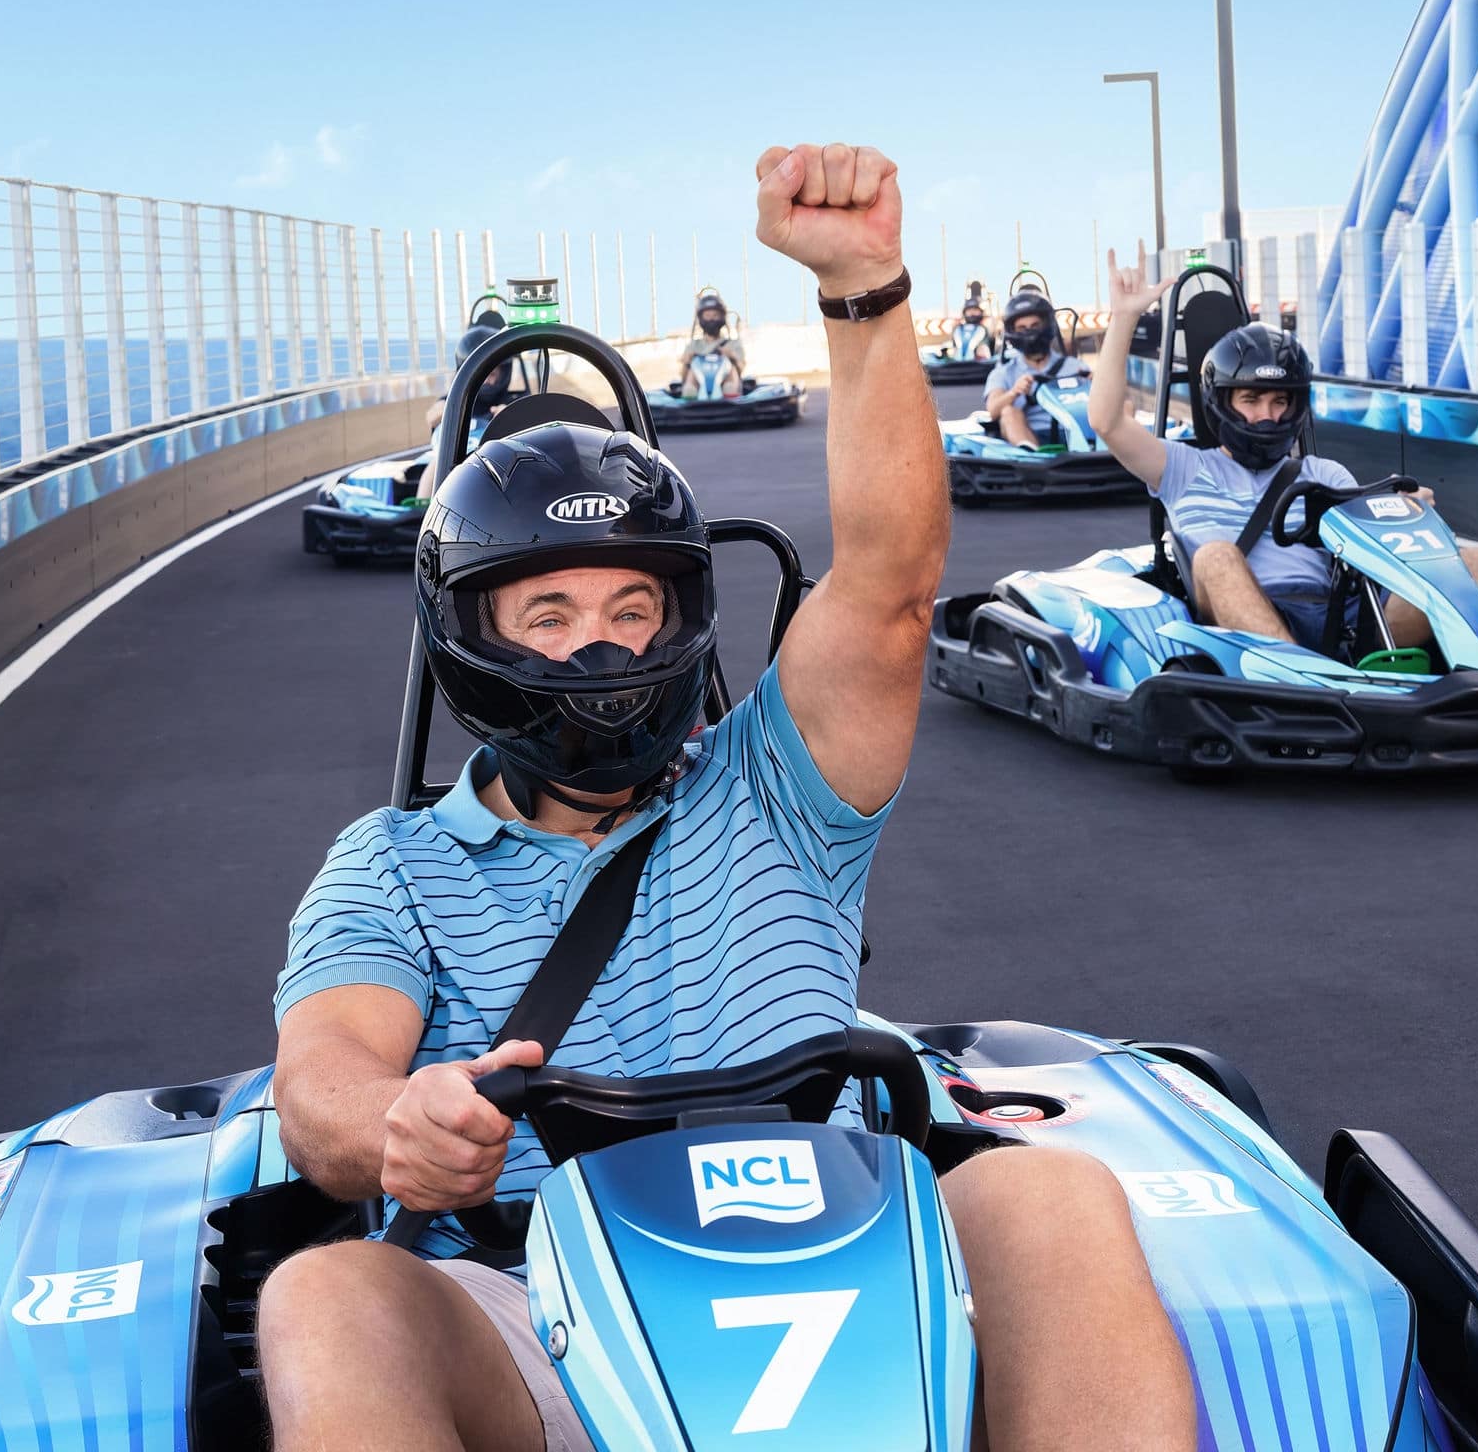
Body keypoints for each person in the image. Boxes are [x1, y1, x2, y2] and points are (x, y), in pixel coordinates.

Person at [256, 143, 1195, 1452]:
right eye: (554, 614)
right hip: (532, 1306)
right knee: (326, 1293)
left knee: (1055, 1203)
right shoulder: (395, 864)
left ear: (686, 618)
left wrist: (864, 289)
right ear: (473, 635)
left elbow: (889, 584)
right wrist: (401, 1124)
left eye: (634, 608)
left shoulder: (776, 786)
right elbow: (323, 1084)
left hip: (854, 1261)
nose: (604, 649)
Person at [1089, 241, 1478, 654]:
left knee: (1470, 559)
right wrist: (1126, 316)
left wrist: (1406, 515)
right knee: (1216, 555)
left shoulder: (1324, 474)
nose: (1267, 415)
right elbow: (1107, 422)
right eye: (1251, 400)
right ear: (1223, 403)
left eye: (1279, 400)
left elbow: (1372, 547)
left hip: (1341, 622)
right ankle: (1298, 675)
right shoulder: (1181, 467)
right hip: (1245, 621)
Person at [983, 289, 1085, 447]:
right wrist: (1014, 392)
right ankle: (1034, 457)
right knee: (1008, 412)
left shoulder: (1074, 367)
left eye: (1035, 325)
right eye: (1022, 328)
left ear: (1047, 326)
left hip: (1075, 434)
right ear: (1013, 332)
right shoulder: (1004, 372)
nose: (1029, 332)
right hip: (1031, 434)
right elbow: (993, 410)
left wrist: (1094, 384)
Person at [680, 288, 745, 397]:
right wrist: (687, 363)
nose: (711, 320)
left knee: (731, 370)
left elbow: (741, 368)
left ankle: (730, 396)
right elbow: (683, 377)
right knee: (690, 382)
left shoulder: (732, 344)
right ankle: (690, 398)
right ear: (701, 318)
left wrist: (732, 356)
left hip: (726, 387)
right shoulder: (694, 346)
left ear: (722, 317)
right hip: (698, 391)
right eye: (708, 316)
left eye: (715, 315)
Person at [951, 294, 994, 359]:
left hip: (979, 362)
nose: (972, 312)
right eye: (969, 310)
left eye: (975, 310)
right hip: (958, 361)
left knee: (983, 348)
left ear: (981, 312)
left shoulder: (984, 329)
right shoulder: (958, 329)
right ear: (965, 312)